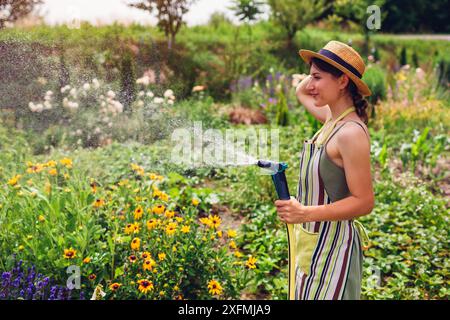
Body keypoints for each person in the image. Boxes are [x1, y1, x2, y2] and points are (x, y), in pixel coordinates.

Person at [275, 40, 375, 300]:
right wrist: (317, 68)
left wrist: (304, 212)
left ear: (342, 81)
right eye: (310, 77)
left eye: (318, 78)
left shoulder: (350, 133)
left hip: (335, 249)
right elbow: (301, 92)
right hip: (314, 245)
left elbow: (364, 202)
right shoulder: (332, 121)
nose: (310, 85)